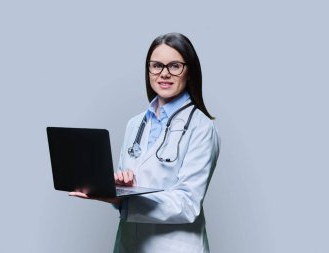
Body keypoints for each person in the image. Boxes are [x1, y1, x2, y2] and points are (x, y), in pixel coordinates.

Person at [70, 32, 220, 253]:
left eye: (175, 66)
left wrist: (128, 200)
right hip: (130, 244)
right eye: (157, 65)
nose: (164, 74)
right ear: (148, 70)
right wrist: (116, 190)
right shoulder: (135, 124)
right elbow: (125, 200)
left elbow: (188, 204)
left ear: (189, 71)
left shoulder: (201, 127)